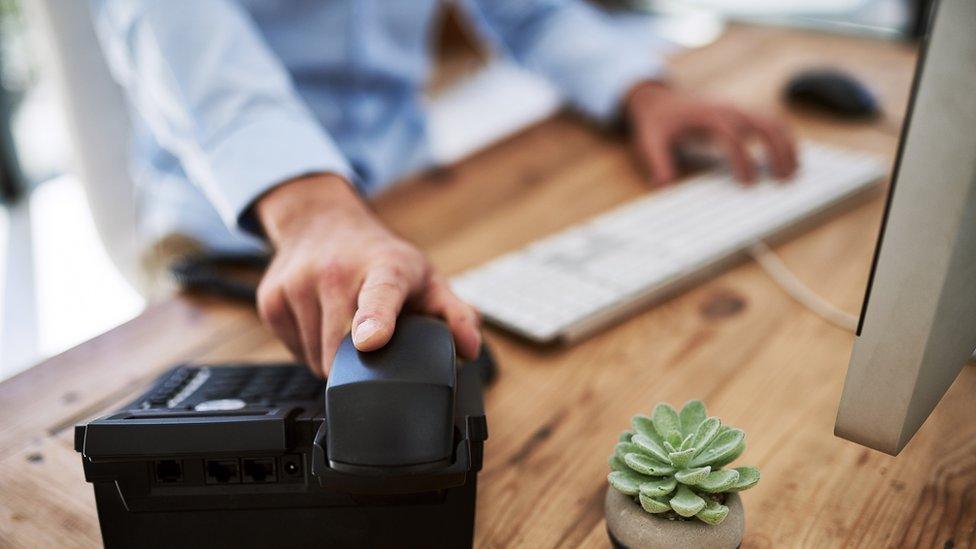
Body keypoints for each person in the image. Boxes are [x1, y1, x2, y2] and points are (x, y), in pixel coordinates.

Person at [91, 0, 797, 376]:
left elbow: (533, 12)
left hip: (409, 196)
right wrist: (309, 208)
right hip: (236, 227)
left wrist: (638, 88)